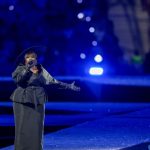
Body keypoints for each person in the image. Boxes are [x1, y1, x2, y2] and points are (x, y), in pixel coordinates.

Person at [10, 47, 80, 150]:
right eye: (28, 57)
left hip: (37, 99)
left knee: (37, 127)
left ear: (36, 59)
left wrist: (68, 86)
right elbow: (20, 82)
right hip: (22, 99)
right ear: (24, 59)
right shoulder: (20, 69)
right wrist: (29, 71)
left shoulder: (40, 69)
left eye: (33, 57)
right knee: (22, 127)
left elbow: (52, 81)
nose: (30, 59)